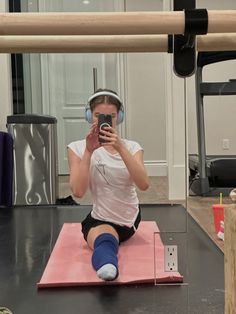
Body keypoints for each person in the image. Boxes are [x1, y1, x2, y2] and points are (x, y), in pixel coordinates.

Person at [67, 88, 149, 281]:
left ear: (118, 117)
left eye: (110, 116)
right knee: (105, 236)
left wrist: (120, 147)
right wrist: (88, 151)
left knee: (108, 234)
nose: (103, 120)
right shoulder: (77, 147)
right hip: (101, 218)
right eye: (98, 115)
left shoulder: (132, 147)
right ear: (89, 116)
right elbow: (78, 191)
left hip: (129, 218)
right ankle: (107, 264)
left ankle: (106, 252)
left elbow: (144, 184)